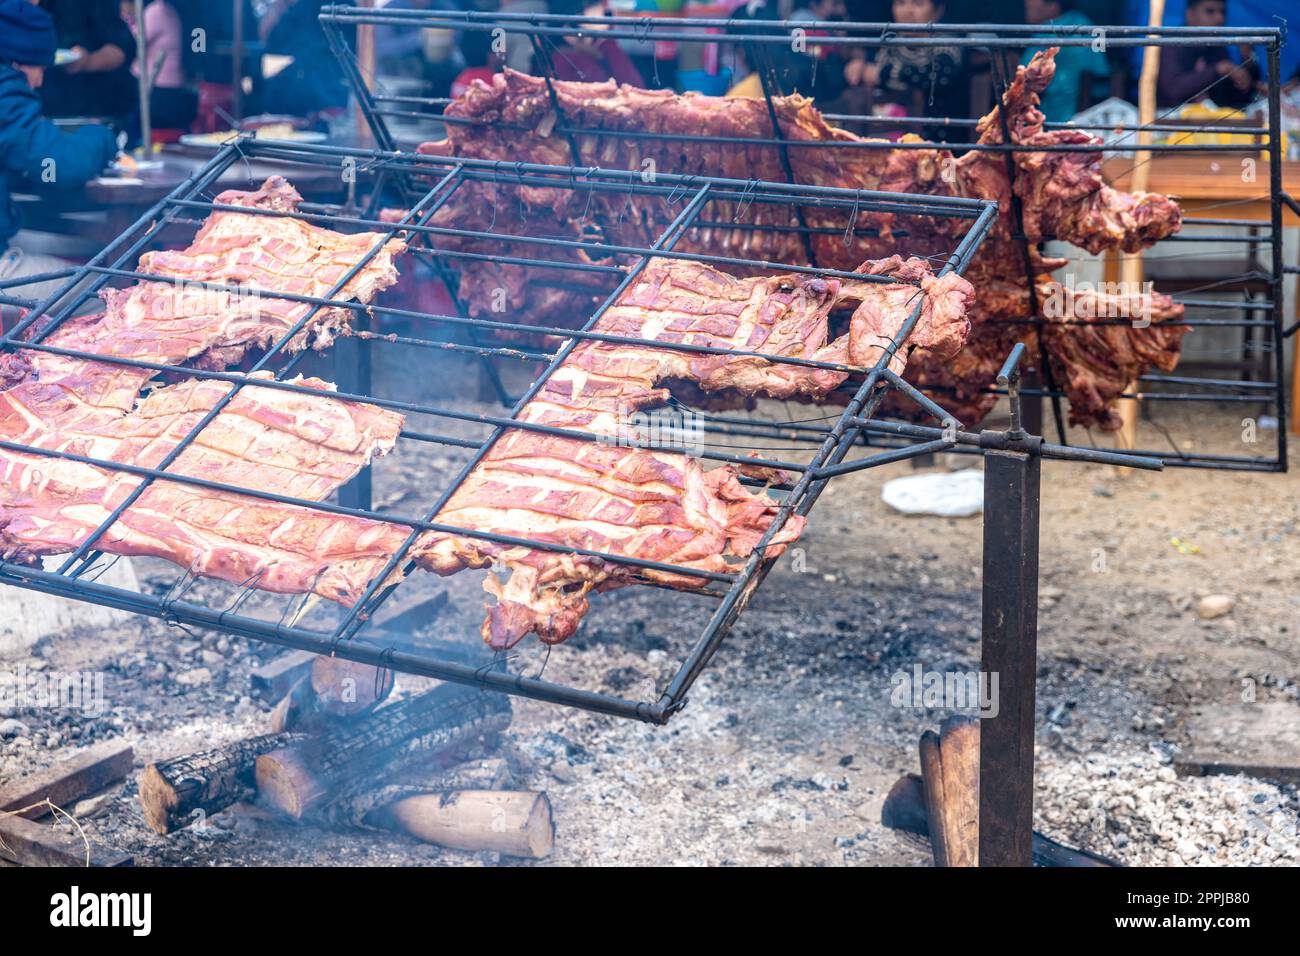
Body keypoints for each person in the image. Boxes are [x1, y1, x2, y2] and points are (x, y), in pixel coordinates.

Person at [0, 0, 118, 310]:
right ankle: (31, 359)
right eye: (38, 67)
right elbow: (64, 164)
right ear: (16, 60)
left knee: (97, 251)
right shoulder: (4, 91)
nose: (39, 81)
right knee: (107, 293)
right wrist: (101, 135)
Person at [850, 0, 965, 141]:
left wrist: (884, 75)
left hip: (939, 142)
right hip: (891, 139)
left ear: (938, 10)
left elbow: (936, 78)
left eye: (918, 3)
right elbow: (871, 75)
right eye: (900, 3)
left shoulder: (947, 45)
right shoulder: (889, 45)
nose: (907, 11)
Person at [37, 0, 138, 118]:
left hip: (91, 109)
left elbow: (122, 48)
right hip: (30, 113)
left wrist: (89, 62)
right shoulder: (14, 8)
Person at [1157, 0, 1259, 109]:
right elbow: (1173, 91)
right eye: (1210, 11)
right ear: (1190, 14)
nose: (1220, 19)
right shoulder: (1172, 45)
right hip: (1168, 120)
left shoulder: (1218, 49)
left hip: (1211, 121)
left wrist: (1248, 64)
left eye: (1223, 12)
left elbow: (1231, 100)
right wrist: (1218, 69)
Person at [1020, 0, 1109, 122]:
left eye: (1029, 6)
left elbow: (1022, 77)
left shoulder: (1046, 31)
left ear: (1053, 6)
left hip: (1051, 120)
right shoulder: (1086, 24)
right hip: (1090, 119)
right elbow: (1103, 71)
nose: (1027, 6)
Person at [121, 0, 197, 134]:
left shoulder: (157, 10)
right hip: (166, 91)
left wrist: (125, 17)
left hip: (158, 92)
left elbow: (129, 43)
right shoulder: (165, 9)